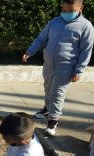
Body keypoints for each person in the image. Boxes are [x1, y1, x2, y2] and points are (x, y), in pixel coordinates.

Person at [22, 0, 94, 136]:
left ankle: (53, 120)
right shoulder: (55, 22)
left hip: (66, 69)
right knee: (47, 88)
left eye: (70, 11)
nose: (66, 13)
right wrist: (30, 51)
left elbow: (86, 50)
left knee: (57, 94)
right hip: (48, 65)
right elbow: (41, 38)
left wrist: (78, 70)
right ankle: (47, 109)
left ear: (81, 8)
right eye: (64, 10)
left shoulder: (86, 27)